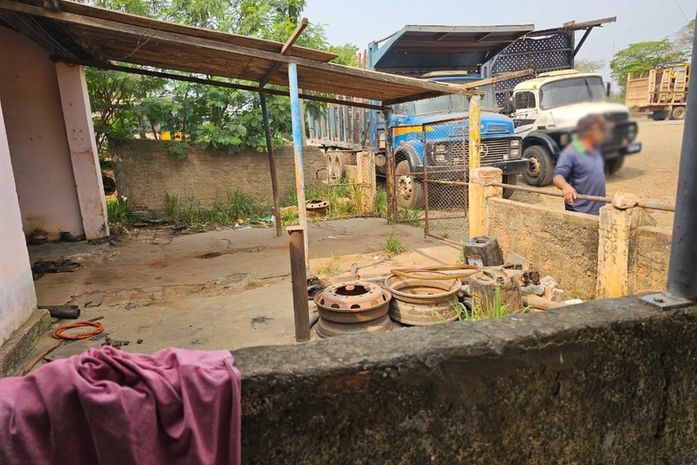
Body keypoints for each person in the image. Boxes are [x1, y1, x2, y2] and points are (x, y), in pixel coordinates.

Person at [553, 114, 610, 215]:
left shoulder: (596, 149)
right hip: (579, 211)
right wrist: (565, 186)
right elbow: (557, 177)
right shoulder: (570, 152)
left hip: (599, 210)